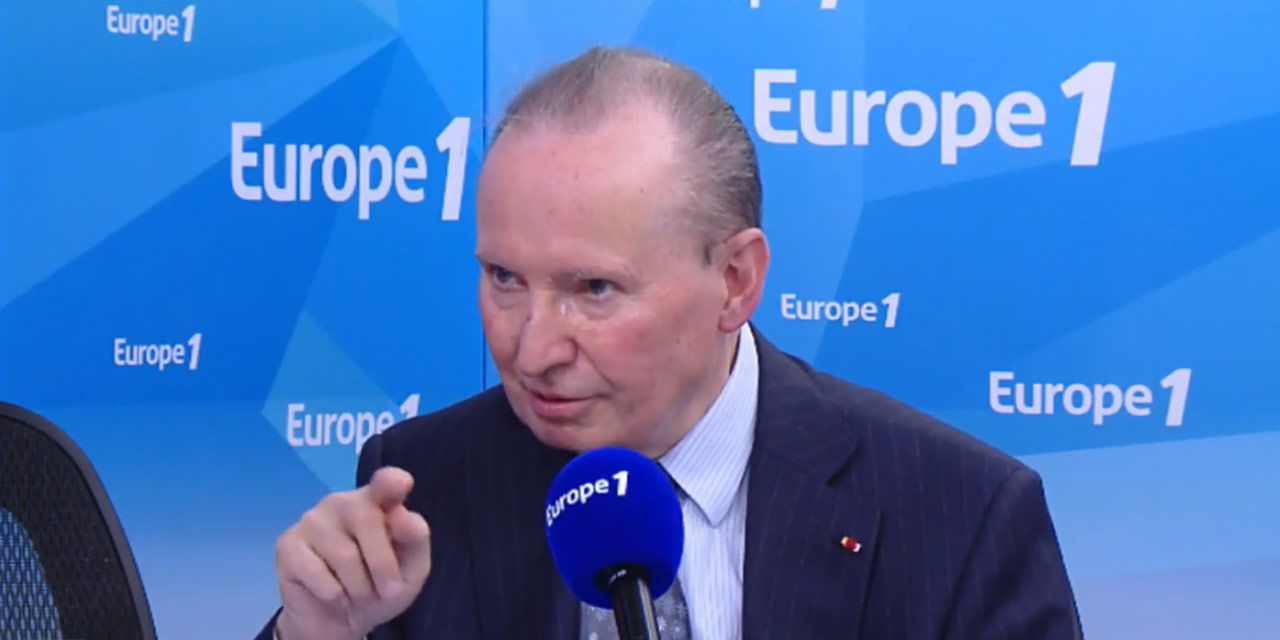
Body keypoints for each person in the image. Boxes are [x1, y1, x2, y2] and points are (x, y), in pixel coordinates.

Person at [258, 47, 1081, 640]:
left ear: (736, 281)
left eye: (594, 289)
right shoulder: (422, 492)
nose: (534, 350)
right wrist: (318, 632)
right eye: (504, 277)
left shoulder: (957, 518)